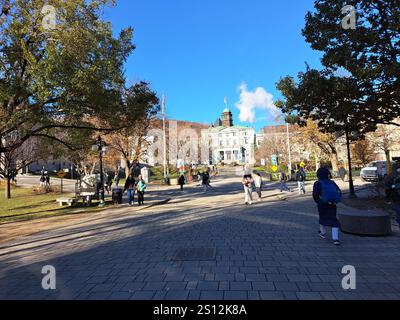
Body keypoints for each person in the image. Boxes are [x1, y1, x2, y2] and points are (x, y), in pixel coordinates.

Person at [313, 167, 342, 246]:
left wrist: (318, 201)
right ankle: (335, 238)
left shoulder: (317, 183)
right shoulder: (332, 183)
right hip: (333, 204)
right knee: (333, 219)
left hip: (322, 204)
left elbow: (315, 195)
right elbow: (339, 192)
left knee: (322, 217)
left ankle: (322, 233)